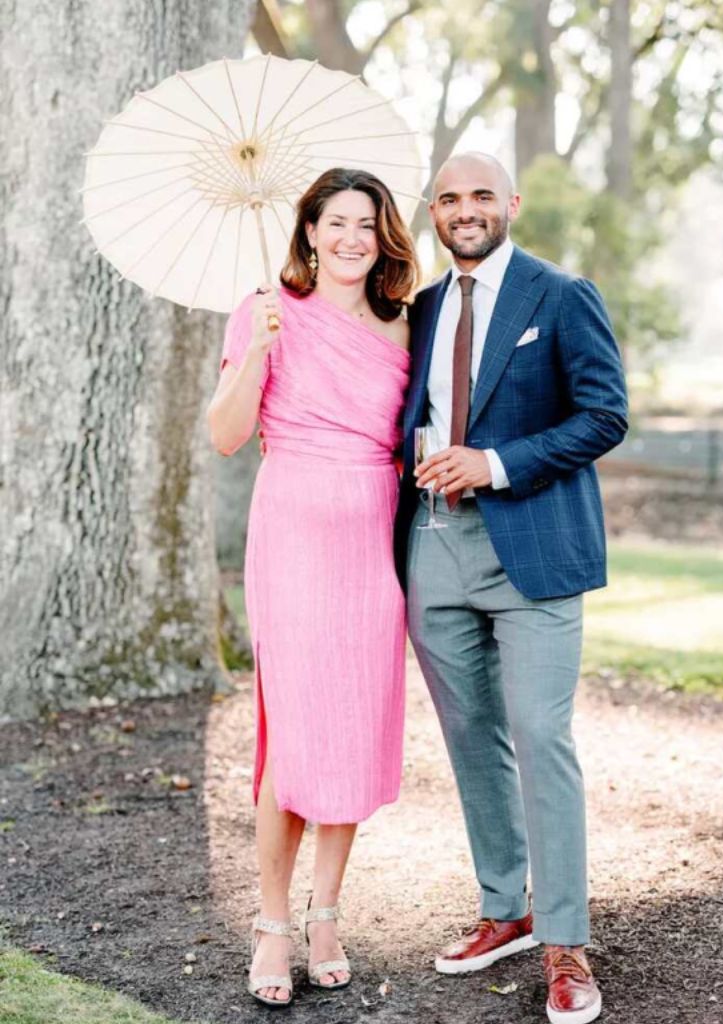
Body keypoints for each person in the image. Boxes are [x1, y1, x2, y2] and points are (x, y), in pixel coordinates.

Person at [395, 152, 627, 1024]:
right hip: (432, 546)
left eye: (480, 195)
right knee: (470, 737)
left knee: (539, 733)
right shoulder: (419, 308)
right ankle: (508, 907)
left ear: (511, 204)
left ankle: (566, 943)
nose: (465, 210)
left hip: (531, 548)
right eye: (449, 198)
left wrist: (492, 463)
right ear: (435, 211)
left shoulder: (561, 296)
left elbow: (604, 414)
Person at [208, 168, 418, 1008]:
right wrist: (257, 347)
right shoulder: (265, 310)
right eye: (336, 222)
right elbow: (227, 436)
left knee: (353, 729)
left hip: (372, 538)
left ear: (384, 236)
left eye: (366, 224)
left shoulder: (406, 328)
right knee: (294, 735)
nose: (351, 238)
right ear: (309, 231)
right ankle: (270, 925)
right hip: (291, 528)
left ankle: (326, 913)